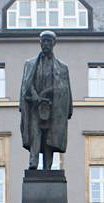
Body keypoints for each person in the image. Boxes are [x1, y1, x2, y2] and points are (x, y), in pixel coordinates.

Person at [20, 30, 73, 170]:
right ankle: (33, 162)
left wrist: (49, 92)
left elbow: (65, 89)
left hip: (53, 106)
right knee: (35, 134)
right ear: (40, 43)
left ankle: (47, 167)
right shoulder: (30, 64)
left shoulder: (62, 67)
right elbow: (26, 83)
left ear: (54, 43)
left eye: (49, 41)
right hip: (34, 107)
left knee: (50, 137)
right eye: (44, 41)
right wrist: (35, 95)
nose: (46, 44)